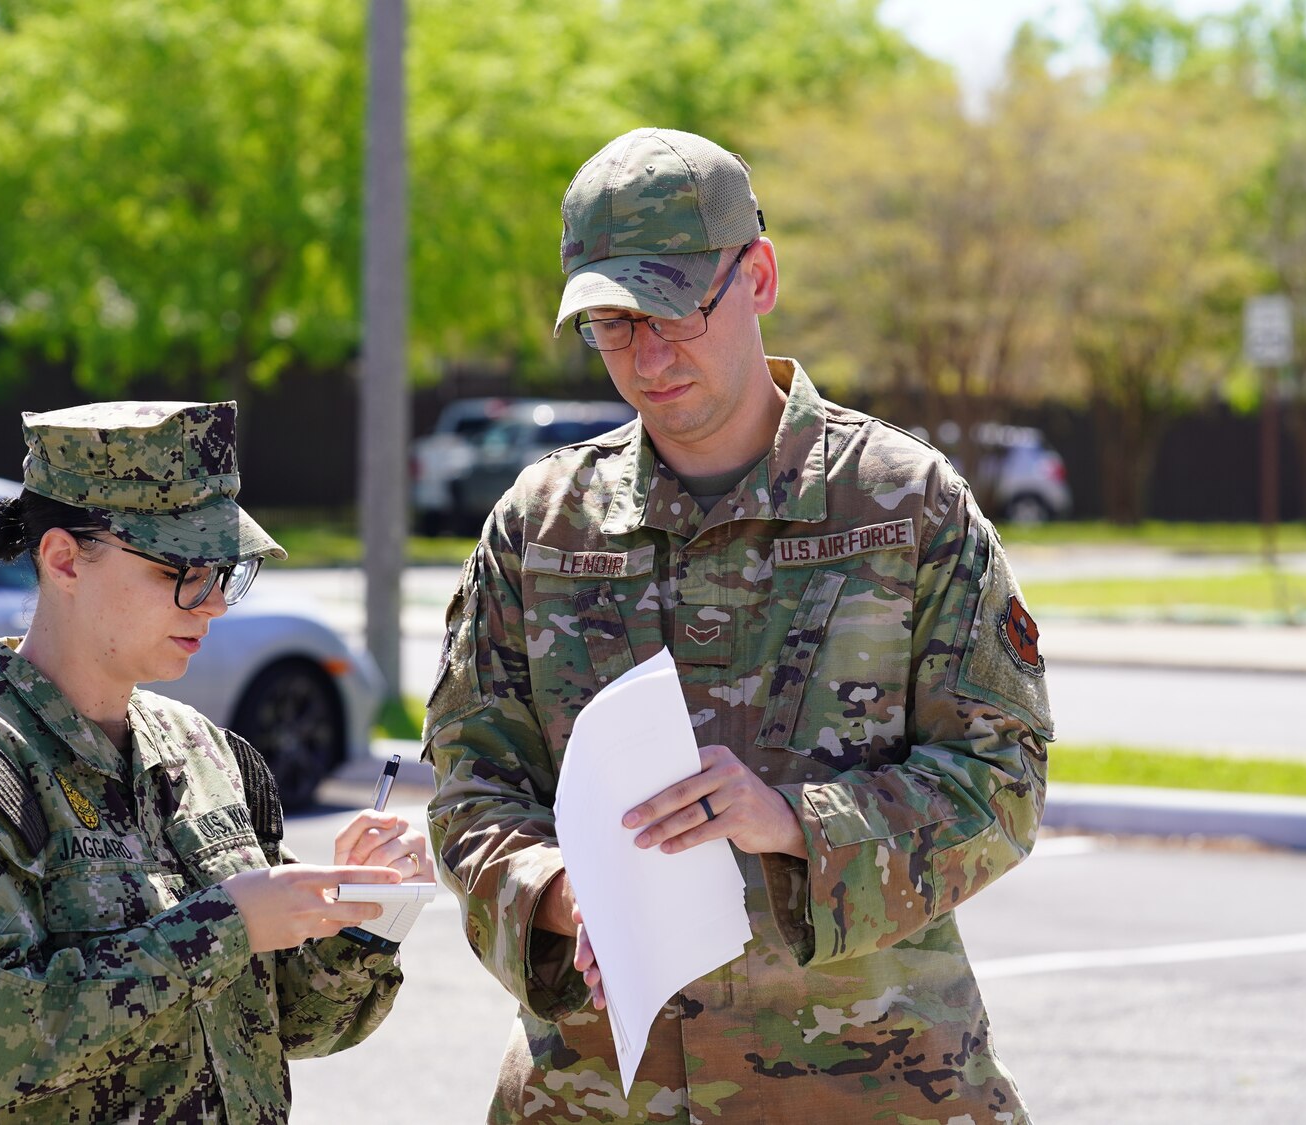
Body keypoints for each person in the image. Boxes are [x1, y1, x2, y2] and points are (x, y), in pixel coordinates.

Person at [425, 128, 1053, 1123]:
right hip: (598, 1095)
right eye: (611, 325)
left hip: (867, 1090)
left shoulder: (902, 505)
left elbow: (1000, 780)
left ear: (755, 276)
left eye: (671, 308)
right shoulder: (540, 526)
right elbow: (470, 789)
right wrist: (553, 891)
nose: (645, 354)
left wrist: (796, 822)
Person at [0, 400, 433, 1124]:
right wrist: (225, 924)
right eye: (184, 570)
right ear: (65, 559)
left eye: (226, 569)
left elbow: (287, 1024)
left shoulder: (207, 753)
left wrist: (363, 921)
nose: (216, 602)